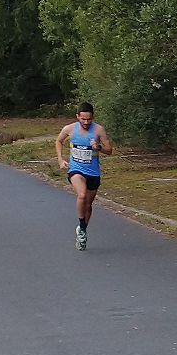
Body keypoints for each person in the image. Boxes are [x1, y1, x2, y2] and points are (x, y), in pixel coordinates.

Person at [55, 102, 113, 251]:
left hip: (93, 172)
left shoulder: (99, 130)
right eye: (83, 119)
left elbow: (109, 150)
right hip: (76, 169)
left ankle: (82, 231)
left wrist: (98, 147)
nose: (86, 122)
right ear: (77, 117)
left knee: (88, 204)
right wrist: (60, 159)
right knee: (82, 195)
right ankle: (81, 226)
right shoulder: (69, 129)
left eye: (89, 119)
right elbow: (59, 141)